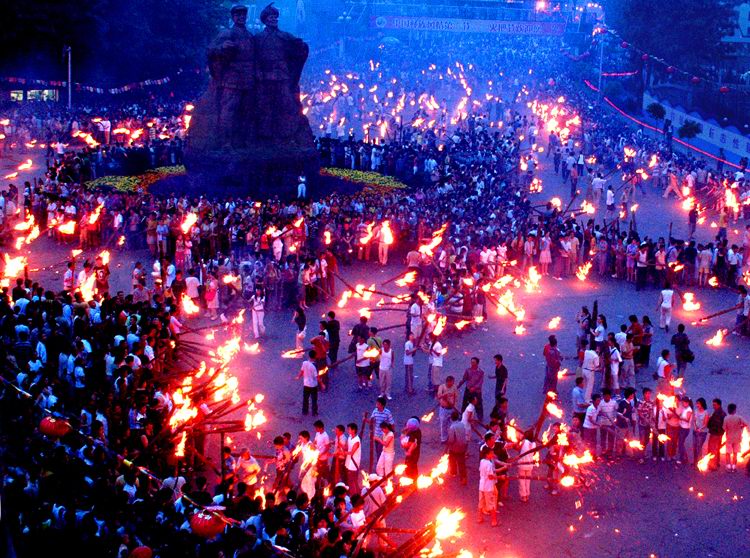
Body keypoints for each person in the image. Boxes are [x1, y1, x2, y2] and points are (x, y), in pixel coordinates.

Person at [458, 356, 484, 422]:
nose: (472, 363)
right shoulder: (468, 370)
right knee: (465, 403)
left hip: (476, 391)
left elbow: (480, 382)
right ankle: (462, 415)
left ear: (477, 363)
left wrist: (474, 388)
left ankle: (480, 417)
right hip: (468, 389)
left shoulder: (481, 372)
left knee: (478, 404)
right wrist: (458, 386)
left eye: (473, 362)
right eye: (471, 362)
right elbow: (464, 379)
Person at [477, 446, 499, 526]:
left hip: (481, 486)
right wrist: (500, 477)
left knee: (481, 502)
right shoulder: (489, 464)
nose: (493, 454)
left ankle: (479, 518)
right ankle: (494, 521)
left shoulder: (482, 461)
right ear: (487, 454)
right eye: (491, 453)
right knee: (491, 504)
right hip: (488, 487)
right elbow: (490, 476)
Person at [723, 403, 747, 472]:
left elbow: (724, 428)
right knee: (735, 453)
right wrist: (740, 427)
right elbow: (746, 423)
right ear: (734, 410)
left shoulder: (726, 418)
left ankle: (728, 467)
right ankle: (734, 467)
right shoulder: (739, 417)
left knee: (728, 453)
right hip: (737, 438)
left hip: (729, 438)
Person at [446, 410, 468, 485]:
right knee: (462, 463)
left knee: (452, 459)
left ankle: (453, 472)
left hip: (455, 448)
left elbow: (451, 439)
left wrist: (448, 444)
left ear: (451, 418)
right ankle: (463, 478)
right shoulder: (462, 424)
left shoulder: (452, 427)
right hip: (463, 446)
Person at [637, 388, 657, 463]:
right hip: (642, 424)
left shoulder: (651, 402)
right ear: (644, 394)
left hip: (648, 425)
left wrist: (651, 418)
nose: (648, 395)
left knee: (647, 440)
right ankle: (641, 457)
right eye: (647, 393)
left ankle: (644, 453)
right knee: (642, 440)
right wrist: (645, 419)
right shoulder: (640, 402)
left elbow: (651, 411)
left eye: (649, 393)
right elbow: (639, 413)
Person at [437, 376, 458, 443]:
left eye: (453, 382)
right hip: (444, 409)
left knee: (453, 424)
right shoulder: (442, 387)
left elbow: (455, 397)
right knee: (443, 424)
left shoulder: (454, 387)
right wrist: (444, 395)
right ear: (447, 382)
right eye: (451, 382)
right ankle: (444, 438)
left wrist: (455, 406)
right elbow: (439, 396)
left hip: (451, 409)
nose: (452, 384)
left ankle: (452, 437)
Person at [296, 350, 319, 415]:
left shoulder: (304, 363)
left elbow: (302, 371)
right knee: (314, 399)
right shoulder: (314, 366)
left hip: (306, 384)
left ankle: (304, 411)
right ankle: (314, 412)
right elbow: (316, 376)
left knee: (305, 398)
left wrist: (298, 376)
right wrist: (322, 384)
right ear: (315, 356)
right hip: (313, 385)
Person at [707, 398, 726, 471]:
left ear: (718, 405)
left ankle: (712, 466)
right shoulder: (723, 413)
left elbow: (713, 423)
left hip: (715, 433)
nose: (713, 406)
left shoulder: (717, 414)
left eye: (714, 405)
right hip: (720, 433)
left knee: (712, 449)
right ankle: (717, 462)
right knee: (717, 448)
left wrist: (709, 421)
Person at [517, 430, 536, 503]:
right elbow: (534, 453)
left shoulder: (524, 441)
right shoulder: (534, 443)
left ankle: (523, 496)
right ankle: (527, 494)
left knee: (522, 480)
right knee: (528, 480)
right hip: (530, 464)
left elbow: (519, 449)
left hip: (522, 463)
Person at [344, 423, 362, 495]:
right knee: (351, 480)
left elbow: (351, 452)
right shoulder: (350, 437)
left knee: (352, 481)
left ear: (353, 430)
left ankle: (354, 495)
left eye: (349, 429)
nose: (348, 430)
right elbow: (347, 447)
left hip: (353, 464)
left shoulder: (357, 441)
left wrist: (343, 453)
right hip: (349, 462)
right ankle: (356, 493)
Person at [692, 398, 709, 467]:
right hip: (695, 431)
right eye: (697, 403)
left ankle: (700, 463)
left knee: (699, 447)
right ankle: (695, 462)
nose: (697, 405)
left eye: (698, 403)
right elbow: (694, 420)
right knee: (694, 447)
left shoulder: (706, 412)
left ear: (702, 404)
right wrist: (695, 427)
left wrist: (700, 429)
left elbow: (705, 424)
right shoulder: (696, 411)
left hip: (702, 432)